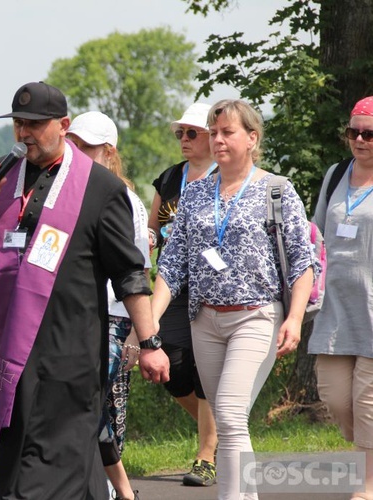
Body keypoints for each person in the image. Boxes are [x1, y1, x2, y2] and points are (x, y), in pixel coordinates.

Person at [0, 81, 169, 499]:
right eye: (18, 124)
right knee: (35, 457)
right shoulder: (3, 175)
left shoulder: (101, 189)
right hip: (9, 350)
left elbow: (129, 274)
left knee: (49, 464)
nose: (24, 133)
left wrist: (151, 341)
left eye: (35, 124)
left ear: (63, 125)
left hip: (70, 353)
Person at [151, 99, 315, 500]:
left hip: (256, 317)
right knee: (228, 422)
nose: (218, 139)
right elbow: (171, 267)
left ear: (252, 138)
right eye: (214, 132)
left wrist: (294, 318)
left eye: (228, 132)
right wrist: (150, 322)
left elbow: (301, 262)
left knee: (227, 411)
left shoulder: (276, 189)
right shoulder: (194, 195)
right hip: (204, 321)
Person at [67, 110, 147, 500]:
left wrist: (138, 333)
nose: (76, 152)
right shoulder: (62, 192)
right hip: (73, 317)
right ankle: (113, 489)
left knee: (102, 407)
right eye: (72, 144)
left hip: (113, 318)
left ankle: (117, 490)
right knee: (86, 407)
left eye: (86, 147)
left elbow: (137, 273)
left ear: (108, 152)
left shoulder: (126, 201)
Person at [147, 102, 219, 487]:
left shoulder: (222, 178)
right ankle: (224, 430)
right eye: (181, 134)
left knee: (205, 371)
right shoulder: (170, 178)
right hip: (172, 286)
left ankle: (206, 455)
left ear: (213, 135)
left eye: (192, 133)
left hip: (210, 286)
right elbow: (153, 227)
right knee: (173, 368)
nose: (184, 140)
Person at [309, 95, 373, 500]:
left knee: (368, 404)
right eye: (354, 131)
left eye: (369, 133)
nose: (360, 139)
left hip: (372, 308)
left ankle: (367, 485)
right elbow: (314, 234)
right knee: (335, 398)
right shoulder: (335, 175)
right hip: (334, 309)